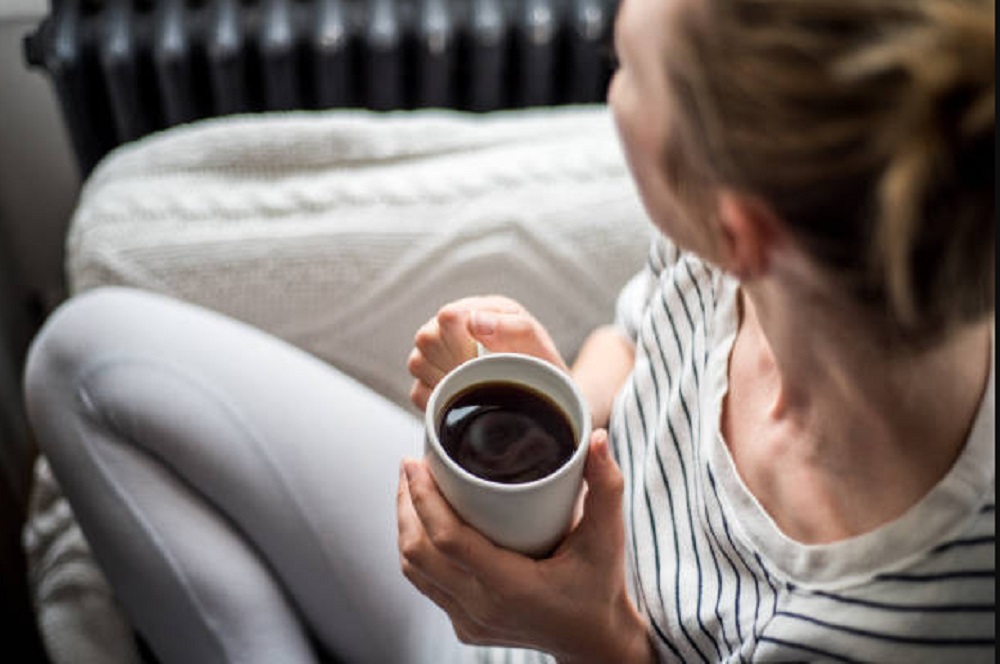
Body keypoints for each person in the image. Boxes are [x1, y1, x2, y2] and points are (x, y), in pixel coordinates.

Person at [24, 0, 994, 661]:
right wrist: (564, 401)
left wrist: (590, 640)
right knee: (80, 359)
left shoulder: (913, 623)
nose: (609, 92)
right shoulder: (772, 254)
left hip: (559, 638)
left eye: (624, 70)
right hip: (501, 601)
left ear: (741, 225)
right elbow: (633, 339)